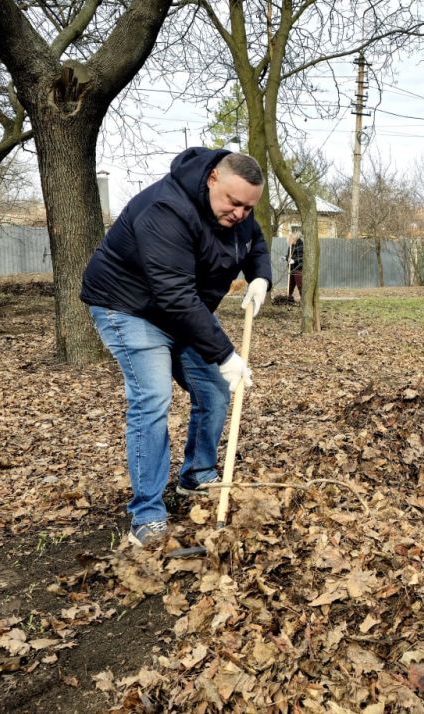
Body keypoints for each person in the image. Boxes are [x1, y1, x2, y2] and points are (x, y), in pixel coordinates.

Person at [81, 149, 272, 547]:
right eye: (233, 203)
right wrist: (225, 354)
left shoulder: (238, 210)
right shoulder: (165, 209)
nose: (240, 213)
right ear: (212, 179)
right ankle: (147, 515)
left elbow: (254, 242)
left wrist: (260, 278)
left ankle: (197, 476)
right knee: (152, 398)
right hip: (129, 307)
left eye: (247, 206)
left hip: (181, 308)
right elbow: (174, 296)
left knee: (215, 391)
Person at [286, 233, 304, 301]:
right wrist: (285, 258)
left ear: (293, 239)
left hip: (298, 268)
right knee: (290, 284)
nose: (289, 243)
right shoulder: (291, 246)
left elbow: (301, 258)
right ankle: (289, 298)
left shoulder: (300, 245)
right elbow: (289, 256)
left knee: (300, 285)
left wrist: (294, 261)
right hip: (291, 268)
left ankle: (303, 300)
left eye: (290, 241)